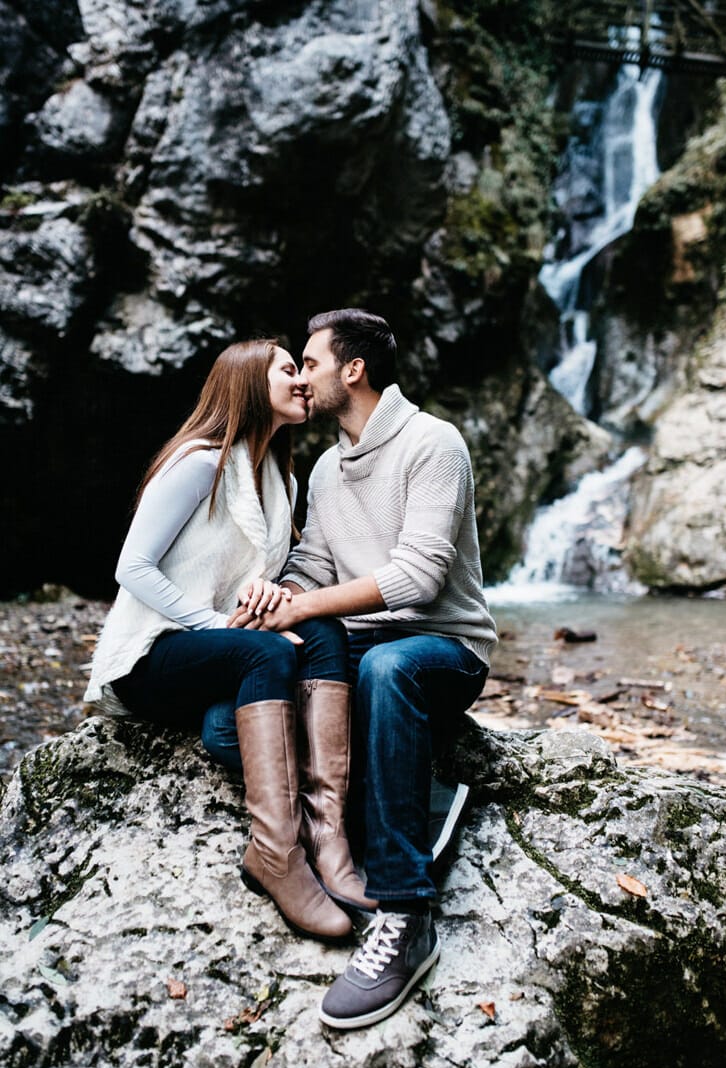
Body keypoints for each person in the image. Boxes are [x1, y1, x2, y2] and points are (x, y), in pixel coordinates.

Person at [227, 309, 498, 1029]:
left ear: (353, 369)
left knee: (385, 669)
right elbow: (313, 561)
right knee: (232, 722)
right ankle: (415, 796)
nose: (301, 377)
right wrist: (273, 599)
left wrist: (304, 605)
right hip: (361, 644)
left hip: (442, 647)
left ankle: (407, 915)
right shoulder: (326, 466)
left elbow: (417, 578)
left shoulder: (433, 443)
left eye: (311, 362)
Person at [83, 338, 375, 944]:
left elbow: (257, 572)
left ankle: (328, 834)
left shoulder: (279, 478)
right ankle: (275, 854)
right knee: (263, 651)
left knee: (322, 629)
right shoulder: (199, 463)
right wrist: (215, 624)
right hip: (154, 654)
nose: (302, 381)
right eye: (288, 370)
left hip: (223, 649)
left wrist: (269, 593)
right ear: (248, 384)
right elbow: (132, 567)